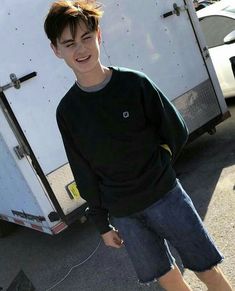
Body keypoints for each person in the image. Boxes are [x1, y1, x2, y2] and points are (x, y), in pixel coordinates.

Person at [44, 1, 233, 290]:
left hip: (167, 197)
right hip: (124, 213)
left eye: (86, 37)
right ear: (56, 50)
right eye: (69, 43)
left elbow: (175, 130)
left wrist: (158, 166)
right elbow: (83, 170)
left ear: (99, 36)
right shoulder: (68, 111)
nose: (80, 49)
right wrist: (102, 224)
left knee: (206, 269)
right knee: (169, 279)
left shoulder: (134, 84)